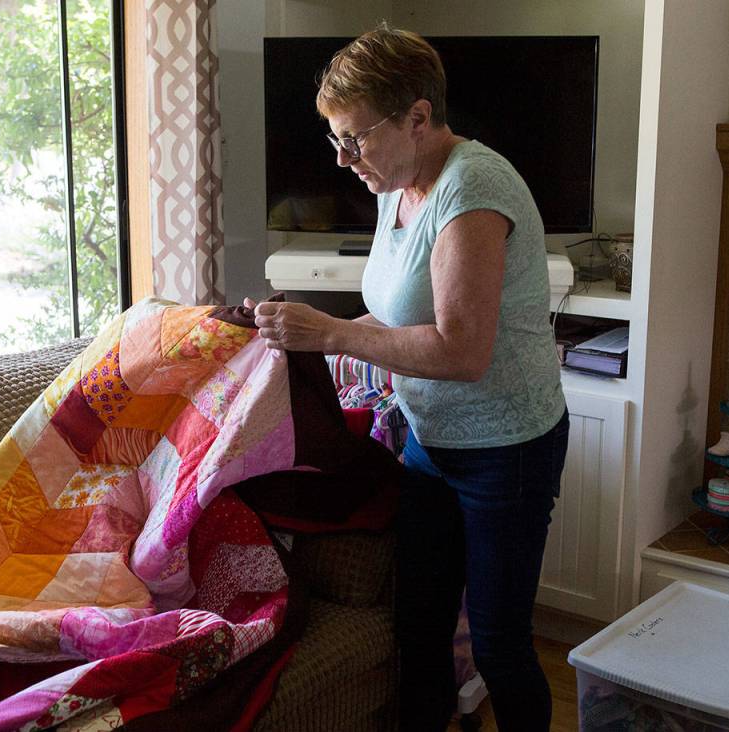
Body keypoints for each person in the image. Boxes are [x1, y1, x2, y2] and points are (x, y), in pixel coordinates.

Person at [245, 25, 569, 732]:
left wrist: (330, 332)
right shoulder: (399, 184)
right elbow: (396, 310)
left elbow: (461, 351)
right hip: (431, 440)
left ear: (418, 118)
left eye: (354, 138)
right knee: (416, 632)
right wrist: (294, 341)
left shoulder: (474, 188)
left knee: (500, 645)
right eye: (335, 139)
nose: (342, 158)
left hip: (506, 448)